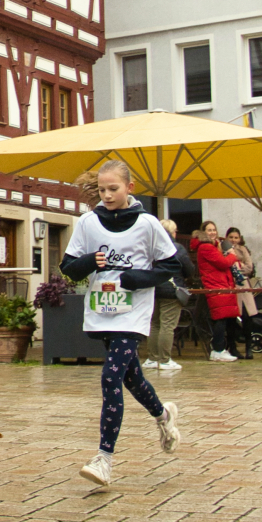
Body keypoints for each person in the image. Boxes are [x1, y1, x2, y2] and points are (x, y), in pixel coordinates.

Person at [60, 160, 184, 485]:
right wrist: (90, 261)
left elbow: (171, 266)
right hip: (102, 310)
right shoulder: (88, 222)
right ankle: (163, 415)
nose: (107, 195)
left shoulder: (147, 223)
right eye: (102, 189)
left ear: (129, 188)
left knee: (110, 375)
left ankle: (104, 459)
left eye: (113, 189)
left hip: (134, 313)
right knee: (132, 377)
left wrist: (138, 278)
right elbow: (68, 267)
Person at [187, 221, 243, 360]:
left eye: (214, 230)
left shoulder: (213, 245)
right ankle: (218, 349)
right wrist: (232, 255)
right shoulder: (206, 247)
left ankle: (221, 348)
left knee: (223, 318)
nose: (212, 232)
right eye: (209, 230)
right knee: (220, 318)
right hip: (216, 285)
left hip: (222, 285)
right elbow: (223, 263)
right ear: (203, 232)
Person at [147, 220, 185, 372]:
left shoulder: (150, 246)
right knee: (167, 325)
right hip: (171, 290)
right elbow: (188, 268)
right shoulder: (177, 248)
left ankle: (152, 358)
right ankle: (165, 360)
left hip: (153, 288)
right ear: (172, 232)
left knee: (154, 324)